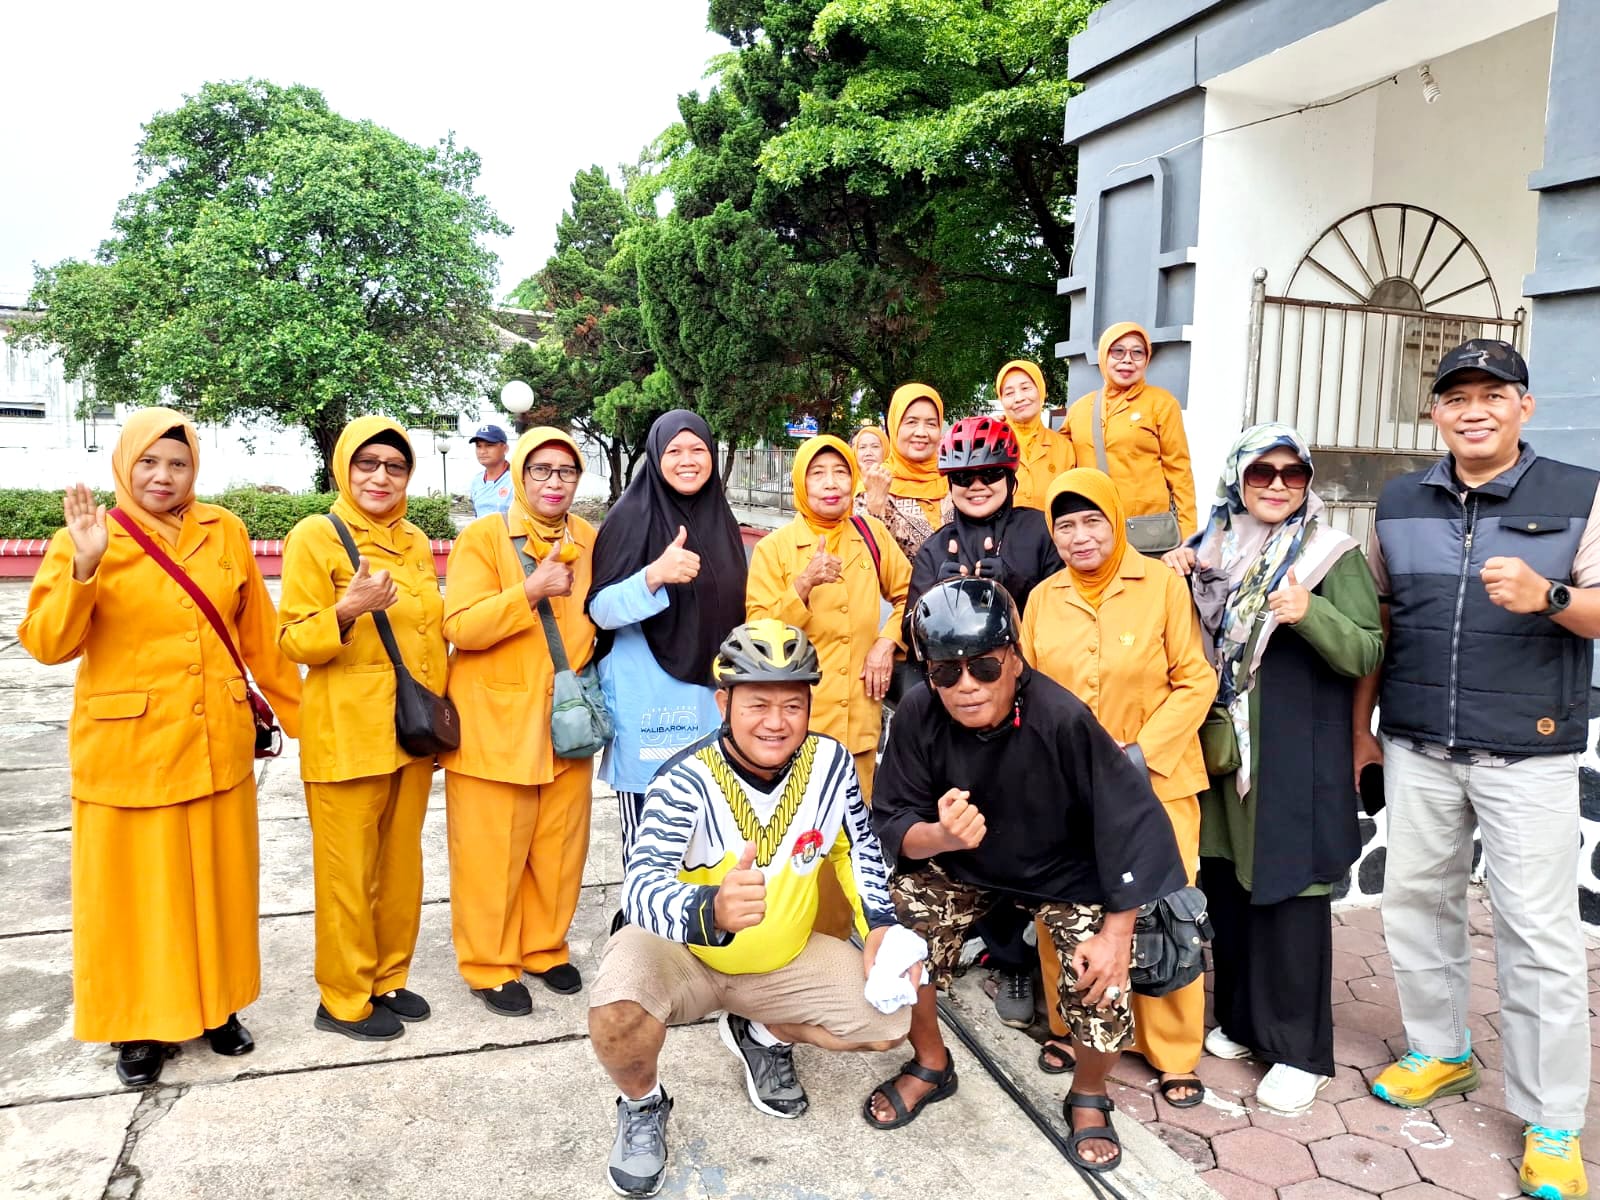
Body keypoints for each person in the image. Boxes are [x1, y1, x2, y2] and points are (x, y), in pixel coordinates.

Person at [1352, 339, 1600, 1200]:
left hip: (1528, 752)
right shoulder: (1396, 501)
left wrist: (1552, 597)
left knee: (1539, 938)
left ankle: (1554, 1120)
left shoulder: (1578, 492)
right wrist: (1364, 731)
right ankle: (1443, 1053)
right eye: (1457, 396)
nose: (1475, 409)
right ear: (1435, 413)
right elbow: (1380, 621)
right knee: (1418, 906)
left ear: (1524, 407)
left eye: (1494, 394)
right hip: (1419, 744)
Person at [17, 409, 303, 1087]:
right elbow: (48, 643)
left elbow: (258, 637)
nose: (162, 476)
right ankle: (140, 1025)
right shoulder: (87, 537)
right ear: (125, 465)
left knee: (220, 887)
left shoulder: (224, 530)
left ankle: (216, 1008)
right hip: (129, 751)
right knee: (135, 898)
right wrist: (85, 566)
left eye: (177, 463)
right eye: (148, 462)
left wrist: (305, 721)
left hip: (216, 745)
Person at [587, 620, 914, 1198]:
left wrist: (881, 924)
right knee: (615, 1013)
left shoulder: (832, 763)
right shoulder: (683, 778)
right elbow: (639, 886)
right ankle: (642, 1104)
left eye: (793, 704)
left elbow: (857, 848)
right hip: (684, 953)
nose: (776, 721)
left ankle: (758, 1031)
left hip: (780, 958)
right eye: (757, 703)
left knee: (889, 1024)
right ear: (723, 703)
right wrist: (707, 908)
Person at [870, 578, 1185, 1171]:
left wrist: (1116, 935)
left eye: (984, 667)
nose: (965, 686)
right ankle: (932, 1062)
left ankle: (1090, 1092)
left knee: (1101, 971)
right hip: (964, 864)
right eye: (945, 672)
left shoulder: (1063, 718)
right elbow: (893, 818)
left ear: (1014, 657)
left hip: (1066, 874)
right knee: (905, 932)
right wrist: (941, 836)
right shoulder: (917, 713)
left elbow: (1130, 823)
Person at [1163, 423, 1381, 1115]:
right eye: (1263, 473)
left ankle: (1300, 1051)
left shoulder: (1330, 554)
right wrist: (1176, 574)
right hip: (1226, 751)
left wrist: (1310, 611)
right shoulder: (1211, 547)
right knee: (1230, 883)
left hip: (1294, 753)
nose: (1279, 485)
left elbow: (1368, 651)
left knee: (1291, 891)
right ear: (1238, 479)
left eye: (1293, 473)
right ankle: (1245, 1022)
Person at [1021, 468, 1215, 1105]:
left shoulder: (1160, 585)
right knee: (1065, 913)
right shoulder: (1044, 597)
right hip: (1067, 789)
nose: (1080, 536)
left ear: (1115, 519)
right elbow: (1025, 692)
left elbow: (1196, 680)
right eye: (1066, 525)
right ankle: (1069, 1026)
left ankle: (1173, 1049)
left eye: (1092, 521)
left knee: (1166, 910)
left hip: (1155, 783)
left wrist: (1140, 755)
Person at [278, 416, 448, 1041]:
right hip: (347, 735)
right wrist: (346, 610)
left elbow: (428, 632)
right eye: (367, 464)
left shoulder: (414, 539)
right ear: (342, 468)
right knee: (348, 873)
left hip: (408, 732)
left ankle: (387, 977)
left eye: (395, 467)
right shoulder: (315, 536)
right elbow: (294, 639)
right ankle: (344, 998)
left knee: (400, 868)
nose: (381, 477)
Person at [441, 427, 598, 1012]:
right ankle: (489, 962)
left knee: (558, 848)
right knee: (491, 852)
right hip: (494, 723)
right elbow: (460, 625)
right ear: (521, 476)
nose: (554, 483)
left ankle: (544, 947)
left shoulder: (587, 537)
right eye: (541, 471)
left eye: (566, 472)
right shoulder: (483, 539)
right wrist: (529, 591)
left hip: (565, 721)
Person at [746, 434, 910, 937]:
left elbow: (911, 594)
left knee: (850, 844)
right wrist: (802, 585)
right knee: (791, 846)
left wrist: (888, 641)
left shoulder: (870, 535)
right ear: (800, 482)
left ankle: (836, 952)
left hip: (857, 721)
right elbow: (756, 633)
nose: (832, 483)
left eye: (840, 472)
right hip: (793, 730)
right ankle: (777, 954)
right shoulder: (776, 549)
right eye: (818, 473)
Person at [587, 410, 748, 856]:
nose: (688, 460)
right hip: (651, 708)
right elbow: (599, 610)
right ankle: (644, 926)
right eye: (674, 450)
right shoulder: (630, 516)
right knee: (651, 847)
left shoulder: (723, 520)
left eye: (698, 449)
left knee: (710, 844)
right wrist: (653, 576)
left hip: (711, 702)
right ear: (656, 456)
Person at [904, 415, 1061, 629]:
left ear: (1010, 478)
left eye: (990, 474)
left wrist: (1014, 586)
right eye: (963, 477)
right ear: (951, 485)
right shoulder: (934, 549)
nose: (977, 485)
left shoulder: (1042, 532)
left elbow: (1065, 618)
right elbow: (909, 634)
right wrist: (936, 600)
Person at [1063, 323, 1197, 544]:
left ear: (1147, 359)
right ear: (1104, 356)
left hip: (1147, 532)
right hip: (1093, 530)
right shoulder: (1080, 409)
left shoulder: (1161, 404)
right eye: (1118, 351)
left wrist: (1188, 535)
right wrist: (1011, 428)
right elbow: (1057, 453)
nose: (1127, 360)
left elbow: (1180, 472)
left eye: (1137, 352)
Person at [857, 383, 953, 559]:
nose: (921, 432)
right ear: (894, 426)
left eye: (931, 424)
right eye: (911, 422)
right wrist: (875, 507)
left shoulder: (956, 481)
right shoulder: (875, 485)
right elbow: (862, 559)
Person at [995, 359, 1073, 513]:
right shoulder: (990, 444)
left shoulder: (1064, 448)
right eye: (1009, 393)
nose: (1019, 398)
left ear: (1041, 391)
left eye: (1026, 388)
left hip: (1050, 535)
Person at [468, 424, 514, 518]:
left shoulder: (516, 478)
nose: (482, 451)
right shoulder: (476, 481)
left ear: (505, 448)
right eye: (479, 446)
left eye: (489, 445)